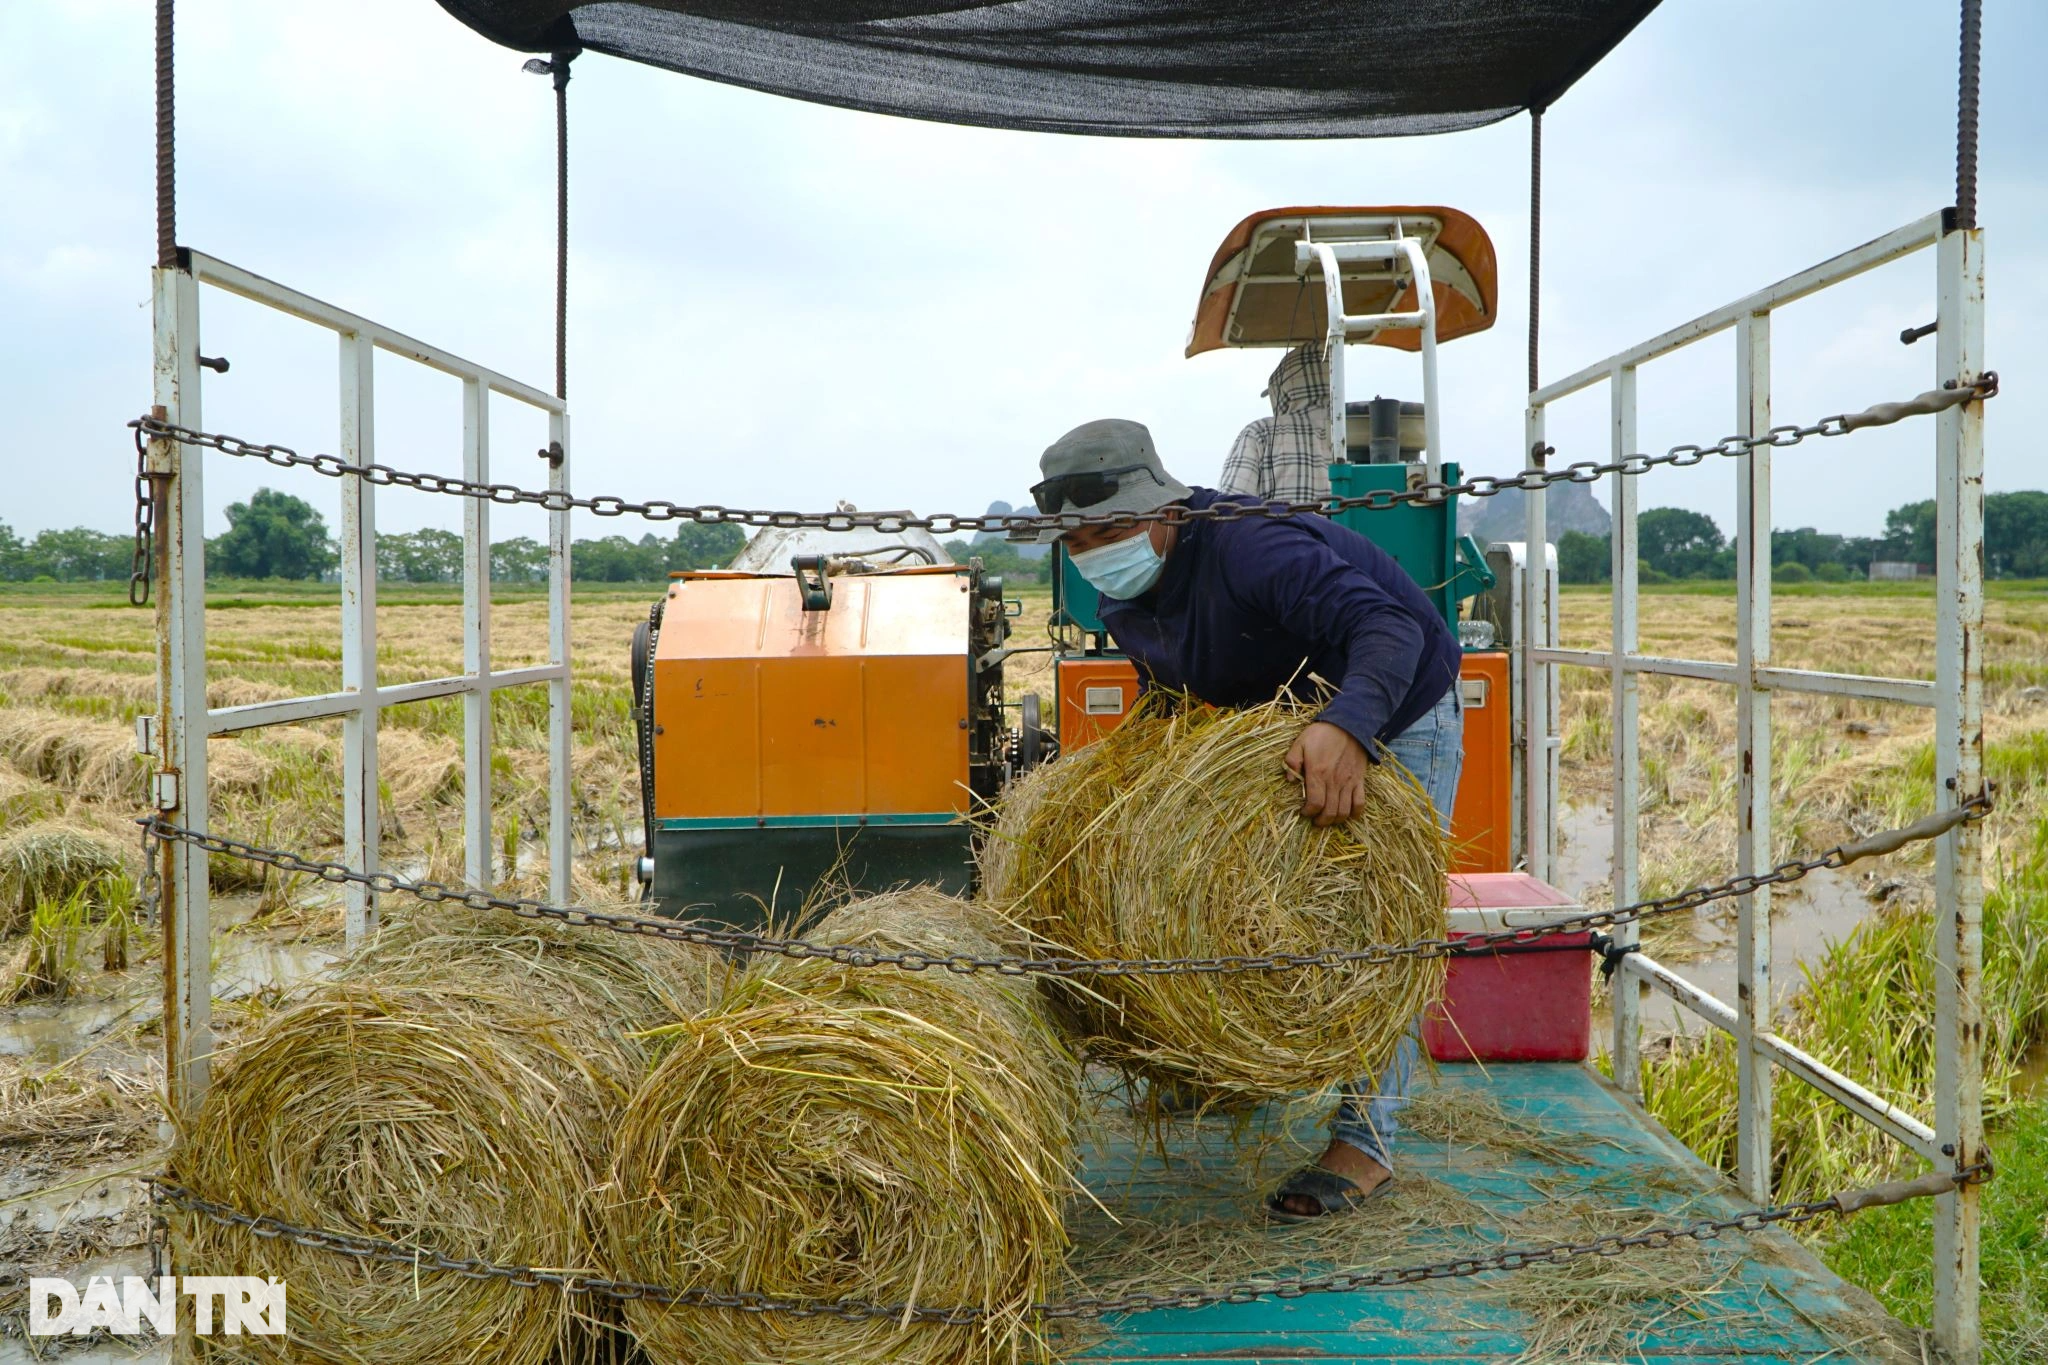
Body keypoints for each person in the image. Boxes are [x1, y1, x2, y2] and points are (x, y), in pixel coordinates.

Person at [1025, 416, 1462, 1221]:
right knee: (1235, 901)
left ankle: (1366, 1143)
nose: (1095, 550)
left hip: (1396, 703)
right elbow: (1178, 692)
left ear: (1164, 509)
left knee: (1380, 926)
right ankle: (1237, 1064)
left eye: (1113, 529)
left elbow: (1391, 627)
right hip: (1289, 721)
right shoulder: (1118, 591)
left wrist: (1349, 727)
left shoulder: (1252, 546)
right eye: (1078, 538)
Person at [1218, 342, 1334, 507]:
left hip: (1287, 532)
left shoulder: (1259, 433)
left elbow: (1229, 510)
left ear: (1283, 390)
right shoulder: (1362, 429)